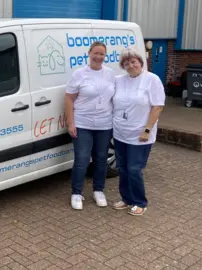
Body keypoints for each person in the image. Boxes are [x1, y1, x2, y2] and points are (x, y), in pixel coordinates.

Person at [111, 47, 165, 216]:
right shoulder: (119, 80)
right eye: (126, 63)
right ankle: (126, 199)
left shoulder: (152, 79)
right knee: (123, 167)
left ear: (140, 62)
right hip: (120, 132)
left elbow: (157, 106)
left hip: (140, 134)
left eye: (133, 61)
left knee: (134, 168)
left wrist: (147, 130)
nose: (130, 65)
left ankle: (140, 202)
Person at [65, 41, 116, 210]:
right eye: (96, 53)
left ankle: (98, 190)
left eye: (102, 54)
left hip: (104, 124)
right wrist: (71, 122)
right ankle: (77, 193)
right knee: (82, 159)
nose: (98, 57)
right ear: (89, 53)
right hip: (83, 123)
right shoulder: (79, 74)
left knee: (101, 159)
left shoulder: (110, 74)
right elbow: (69, 99)